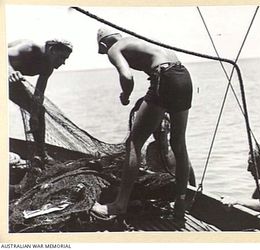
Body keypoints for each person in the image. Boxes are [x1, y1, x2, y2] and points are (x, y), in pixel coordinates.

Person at [91, 27, 193, 222]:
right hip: (183, 75)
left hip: (164, 77)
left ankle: (119, 205)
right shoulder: (138, 40)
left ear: (104, 45)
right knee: (179, 143)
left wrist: (125, 95)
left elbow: (127, 76)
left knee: (134, 143)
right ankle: (181, 202)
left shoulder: (114, 49)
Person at [8, 39, 73, 161]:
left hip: (9, 80)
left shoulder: (48, 67)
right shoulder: (30, 48)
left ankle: (41, 154)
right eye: (62, 57)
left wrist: (34, 115)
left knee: (39, 111)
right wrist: (10, 72)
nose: (63, 62)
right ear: (52, 50)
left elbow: (38, 94)